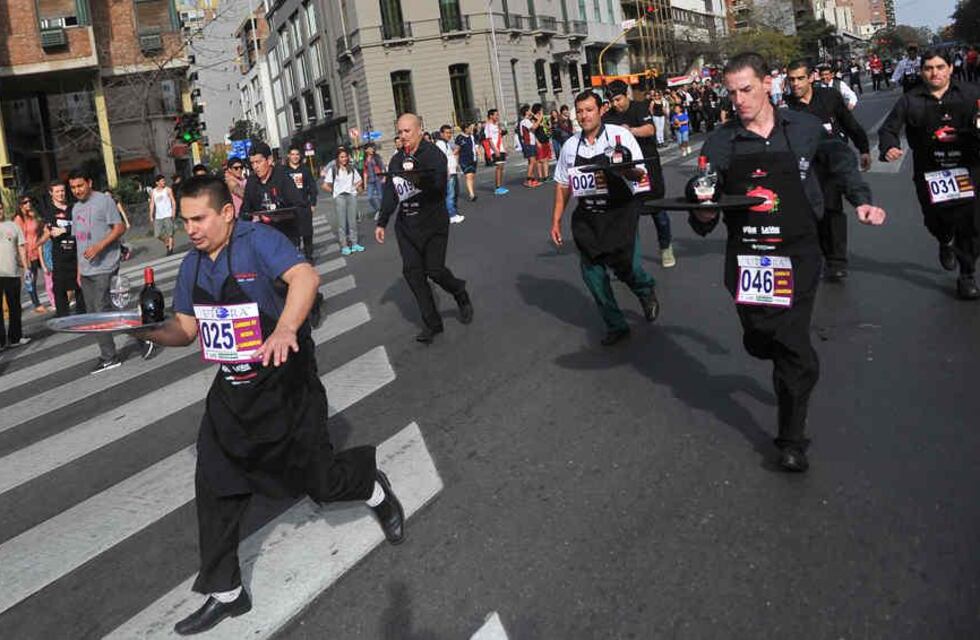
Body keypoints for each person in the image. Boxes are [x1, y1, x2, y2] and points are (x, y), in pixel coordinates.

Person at [135, 175, 404, 636]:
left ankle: (371, 485)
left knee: (318, 481)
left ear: (226, 212)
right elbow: (185, 330)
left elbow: (305, 277)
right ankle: (226, 592)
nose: (191, 229)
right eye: (185, 221)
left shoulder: (259, 242)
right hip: (233, 390)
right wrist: (140, 331)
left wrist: (283, 329)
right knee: (215, 484)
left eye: (199, 219)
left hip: (286, 382)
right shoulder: (193, 266)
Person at [691, 52, 886, 472]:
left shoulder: (805, 128)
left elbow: (840, 162)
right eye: (732, 92)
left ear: (767, 85)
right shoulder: (720, 141)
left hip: (797, 254)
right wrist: (703, 211)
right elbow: (703, 191)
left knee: (792, 345)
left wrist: (861, 201)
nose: (739, 100)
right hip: (747, 258)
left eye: (746, 90)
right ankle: (778, 349)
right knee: (761, 336)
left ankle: (791, 439)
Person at [550, 89, 660, 346]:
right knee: (593, 275)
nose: (584, 116)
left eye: (589, 110)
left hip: (620, 213)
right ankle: (615, 324)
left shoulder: (619, 136)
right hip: (588, 217)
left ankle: (645, 290)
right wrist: (556, 220)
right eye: (580, 111)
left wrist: (624, 169)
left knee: (628, 267)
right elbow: (562, 185)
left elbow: (641, 175)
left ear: (601, 110)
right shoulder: (569, 146)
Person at [879, 48, 980, 300]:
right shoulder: (910, 100)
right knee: (937, 221)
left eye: (939, 67)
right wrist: (889, 146)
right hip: (931, 173)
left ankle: (967, 274)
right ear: (922, 71)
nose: (934, 73)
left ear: (950, 68)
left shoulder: (971, 94)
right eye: (928, 68)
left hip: (969, 168)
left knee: (971, 224)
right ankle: (945, 240)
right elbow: (889, 129)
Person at [376, 113, 474, 344]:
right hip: (407, 226)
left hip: (433, 223)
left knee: (435, 271)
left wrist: (416, 178)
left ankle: (459, 292)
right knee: (413, 274)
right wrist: (382, 222)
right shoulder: (396, 160)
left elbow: (439, 187)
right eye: (399, 132)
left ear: (419, 130)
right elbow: (391, 193)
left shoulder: (433, 155)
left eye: (407, 131)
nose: (403, 136)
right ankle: (432, 323)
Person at [784, 59, 872, 280]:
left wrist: (863, 148)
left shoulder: (830, 97)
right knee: (812, 214)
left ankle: (836, 261)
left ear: (811, 77)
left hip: (833, 163)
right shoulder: (786, 108)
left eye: (800, 78)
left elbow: (849, 122)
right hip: (806, 168)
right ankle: (819, 253)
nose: (795, 84)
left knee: (832, 211)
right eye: (791, 79)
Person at [602, 79, 674, 268]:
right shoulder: (608, 117)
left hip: (647, 167)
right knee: (628, 215)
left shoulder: (640, 108)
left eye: (618, 99)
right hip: (624, 172)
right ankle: (632, 258)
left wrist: (630, 131)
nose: (616, 105)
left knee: (658, 212)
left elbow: (650, 129)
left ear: (626, 95)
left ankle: (665, 247)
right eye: (612, 102)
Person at [68, 167, 127, 373]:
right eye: (73, 187)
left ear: (89, 183)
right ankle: (146, 333)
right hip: (86, 271)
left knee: (101, 312)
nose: (77, 190)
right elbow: (79, 243)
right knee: (96, 316)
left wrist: (100, 246)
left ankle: (109, 356)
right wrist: (78, 270)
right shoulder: (75, 209)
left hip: (106, 265)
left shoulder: (104, 201)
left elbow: (120, 228)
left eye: (80, 185)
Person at [241, 141, 307, 247]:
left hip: (287, 235)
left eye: (258, 162)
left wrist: (281, 216)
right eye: (252, 163)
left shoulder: (282, 177)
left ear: (269, 160)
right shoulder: (252, 182)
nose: (255, 167)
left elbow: (300, 206)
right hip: (265, 237)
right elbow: (245, 211)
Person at [42, 179, 86, 317]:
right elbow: (52, 231)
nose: (61, 194)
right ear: (51, 193)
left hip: (76, 253)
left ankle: (82, 314)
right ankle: (63, 316)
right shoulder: (49, 212)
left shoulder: (74, 208)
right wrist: (67, 230)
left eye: (62, 191)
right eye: (57, 191)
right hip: (60, 255)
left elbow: (82, 227)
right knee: (59, 287)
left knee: (80, 286)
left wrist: (65, 230)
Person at [321, 147, 364, 255]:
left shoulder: (352, 168)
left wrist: (353, 187)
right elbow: (325, 185)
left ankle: (354, 244)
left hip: (351, 196)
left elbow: (360, 180)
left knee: (352, 221)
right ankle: (344, 245)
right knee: (342, 223)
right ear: (338, 158)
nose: (344, 159)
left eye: (345, 156)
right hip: (340, 198)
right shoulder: (334, 170)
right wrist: (335, 192)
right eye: (341, 157)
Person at [0, 204, 30, 349]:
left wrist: (26, 267)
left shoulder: (12, 226)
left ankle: (15, 337)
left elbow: (21, 248)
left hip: (12, 272)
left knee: (15, 307)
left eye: (0, 208)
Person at [13, 196, 48, 313]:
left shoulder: (32, 215)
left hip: (37, 250)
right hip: (27, 253)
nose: (28, 204)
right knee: (31, 279)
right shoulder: (19, 219)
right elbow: (19, 240)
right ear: (20, 205)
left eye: (29, 201)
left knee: (40, 275)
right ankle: (36, 304)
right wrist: (23, 257)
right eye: (25, 202)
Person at [284, 146, 318, 261]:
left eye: (297, 154)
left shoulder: (305, 170)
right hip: (290, 208)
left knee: (307, 233)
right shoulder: (284, 171)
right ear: (288, 155)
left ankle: (309, 256)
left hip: (304, 206)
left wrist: (313, 203)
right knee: (294, 235)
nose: (295, 157)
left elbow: (313, 187)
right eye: (292, 154)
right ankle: (296, 257)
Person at [435, 124, 464, 223]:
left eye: (450, 133)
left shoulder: (446, 143)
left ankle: (453, 212)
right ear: (441, 134)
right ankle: (452, 215)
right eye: (447, 133)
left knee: (455, 192)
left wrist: (457, 167)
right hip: (449, 173)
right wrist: (446, 172)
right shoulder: (440, 144)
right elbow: (441, 159)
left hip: (453, 171)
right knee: (450, 194)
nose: (449, 135)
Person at [149, 174, 177, 256]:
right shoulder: (153, 192)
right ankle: (167, 242)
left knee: (170, 232)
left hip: (168, 214)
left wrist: (173, 211)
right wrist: (151, 215)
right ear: (157, 183)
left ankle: (170, 249)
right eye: (162, 181)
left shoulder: (168, 190)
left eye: (164, 180)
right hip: (158, 216)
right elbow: (152, 204)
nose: (164, 182)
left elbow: (173, 201)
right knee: (157, 234)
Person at [483, 109, 509, 195]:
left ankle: (500, 186)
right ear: (491, 116)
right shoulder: (488, 126)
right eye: (496, 115)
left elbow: (500, 137)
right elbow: (489, 139)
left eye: (498, 115)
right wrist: (495, 150)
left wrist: (504, 148)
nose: (497, 117)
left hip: (500, 148)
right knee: (499, 167)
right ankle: (497, 187)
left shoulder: (496, 125)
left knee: (501, 167)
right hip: (495, 149)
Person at [518, 104, 541, 188]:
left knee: (532, 162)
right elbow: (534, 128)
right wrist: (539, 118)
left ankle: (532, 179)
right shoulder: (525, 121)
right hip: (528, 144)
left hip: (531, 143)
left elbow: (532, 132)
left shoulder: (527, 121)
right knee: (532, 162)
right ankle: (528, 180)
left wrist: (537, 142)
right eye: (529, 110)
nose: (531, 112)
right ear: (526, 112)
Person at [455, 123, 479, 202]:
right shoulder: (460, 138)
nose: (471, 130)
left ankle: (471, 191)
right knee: (468, 176)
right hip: (464, 160)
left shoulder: (472, 137)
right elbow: (457, 150)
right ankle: (472, 194)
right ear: (465, 129)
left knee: (471, 176)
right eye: (470, 128)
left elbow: (476, 146)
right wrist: (455, 161)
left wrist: (478, 152)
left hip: (473, 159)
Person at [362, 142, 387, 215]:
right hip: (370, 180)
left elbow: (382, 167)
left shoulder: (376, 157)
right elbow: (365, 172)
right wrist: (365, 183)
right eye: (370, 148)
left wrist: (384, 177)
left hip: (378, 178)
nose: (371, 149)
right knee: (369, 197)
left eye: (372, 148)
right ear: (366, 150)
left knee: (380, 196)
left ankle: (382, 210)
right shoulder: (365, 159)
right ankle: (378, 209)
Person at [532, 103, 552, 182]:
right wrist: (537, 142)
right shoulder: (533, 119)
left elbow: (548, 129)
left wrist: (549, 125)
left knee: (546, 159)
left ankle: (546, 176)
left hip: (545, 140)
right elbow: (533, 130)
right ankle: (540, 176)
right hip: (539, 141)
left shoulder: (544, 118)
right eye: (541, 109)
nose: (542, 110)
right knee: (539, 160)